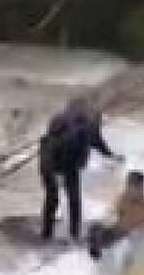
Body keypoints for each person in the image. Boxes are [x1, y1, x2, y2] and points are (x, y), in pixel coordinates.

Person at [40, 97, 120, 242]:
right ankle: (47, 233)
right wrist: (54, 172)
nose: (99, 124)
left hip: (69, 164)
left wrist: (112, 155)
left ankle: (73, 234)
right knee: (54, 198)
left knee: (73, 199)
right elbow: (51, 147)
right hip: (52, 162)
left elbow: (97, 142)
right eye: (98, 121)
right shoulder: (66, 124)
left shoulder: (87, 126)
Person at [87, 170, 144, 263]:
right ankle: (98, 252)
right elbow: (112, 215)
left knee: (132, 246)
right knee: (95, 226)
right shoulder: (123, 198)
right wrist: (108, 224)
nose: (131, 189)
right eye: (129, 185)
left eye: (136, 186)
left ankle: (127, 265)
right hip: (119, 232)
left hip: (136, 236)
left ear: (142, 187)